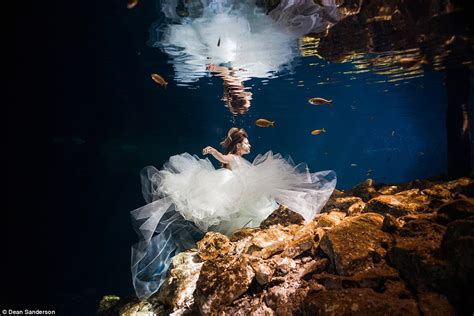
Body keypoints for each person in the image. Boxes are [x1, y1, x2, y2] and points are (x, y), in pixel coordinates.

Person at [130, 128, 337, 299]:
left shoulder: (243, 161)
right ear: (238, 145)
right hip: (236, 190)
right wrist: (212, 151)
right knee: (248, 209)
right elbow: (222, 156)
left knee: (261, 205)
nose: (249, 146)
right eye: (246, 143)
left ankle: (249, 235)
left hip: (244, 190)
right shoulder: (232, 157)